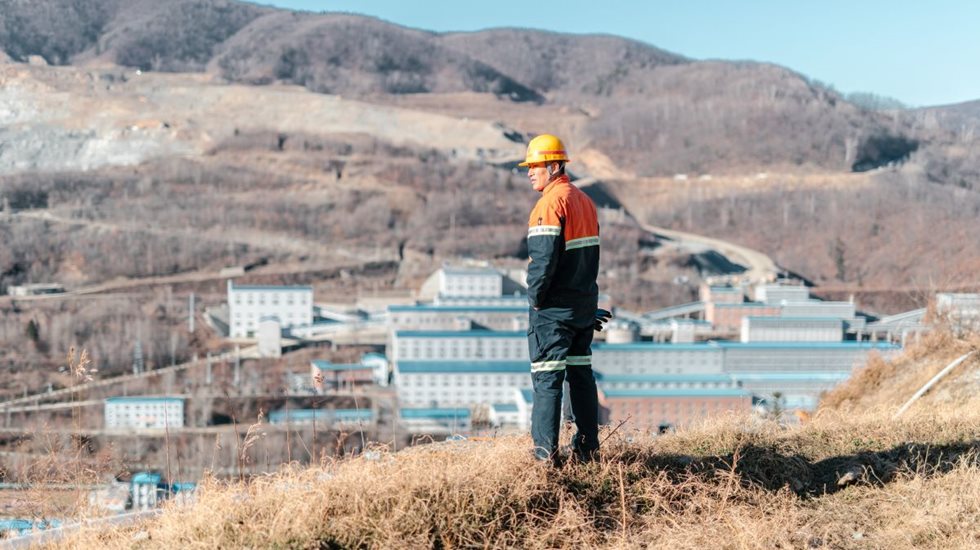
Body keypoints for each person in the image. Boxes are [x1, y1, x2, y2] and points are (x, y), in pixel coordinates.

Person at [521, 133, 606, 464]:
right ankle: (587, 450)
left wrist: (536, 300)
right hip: (582, 307)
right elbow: (586, 261)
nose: (530, 172)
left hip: (554, 311)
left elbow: (542, 262)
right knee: (581, 376)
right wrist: (586, 304)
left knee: (547, 379)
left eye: (535, 166)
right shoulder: (585, 201)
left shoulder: (549, 204)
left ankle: (544, 456)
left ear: (553, 166)